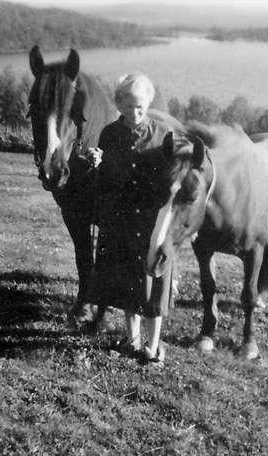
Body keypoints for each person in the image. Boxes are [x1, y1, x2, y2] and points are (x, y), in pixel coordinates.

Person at [87, 73, 176, 363]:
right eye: (128, 107)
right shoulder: (109, 134)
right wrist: (98, 165)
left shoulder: (164, 136)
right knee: (127, 283)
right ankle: (133, 340)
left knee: (154, 285)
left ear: (148, 102)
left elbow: (175, 182)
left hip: (152, 223)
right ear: (119, 104)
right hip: (122, 220)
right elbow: (106, 181)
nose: (134, 113)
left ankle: (153, 346)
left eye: (140, 107)